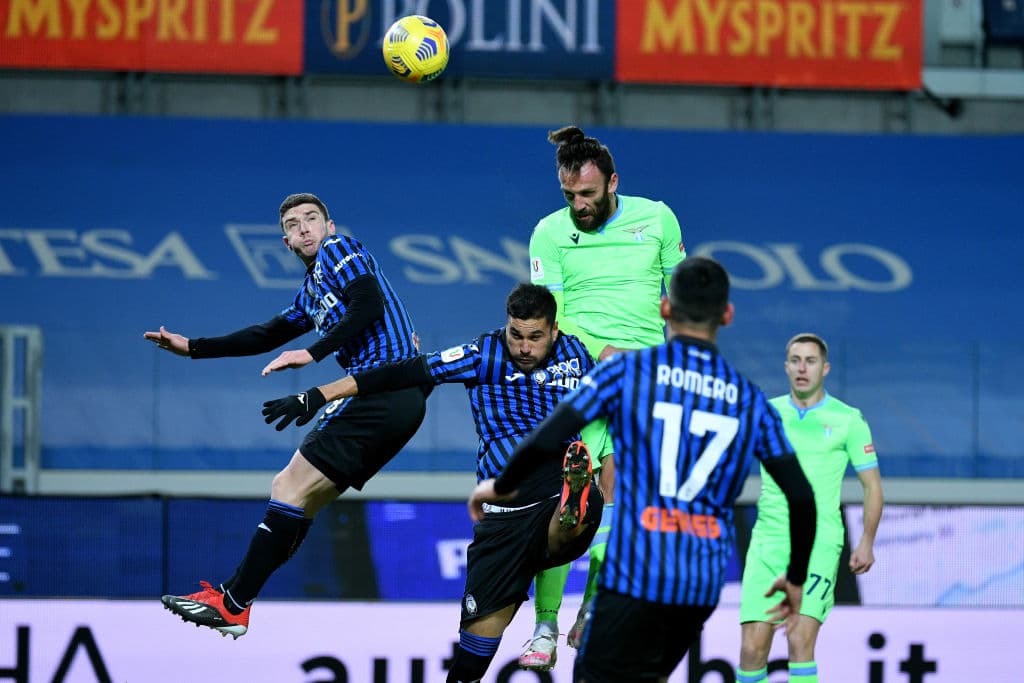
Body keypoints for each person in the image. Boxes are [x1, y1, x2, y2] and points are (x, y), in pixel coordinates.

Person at [469, 256, 818, 683]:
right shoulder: (750, 400)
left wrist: (501, 485)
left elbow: (548, 434)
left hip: (638, 568)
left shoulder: (628, 373)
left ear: (665, 309)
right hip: (699, 582)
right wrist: (796, 576)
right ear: (727, 315)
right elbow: (801, 496)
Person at [262, 283, 605, 683]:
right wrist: (320, 394)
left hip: (551, 481)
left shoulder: (577, 354)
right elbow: (399, 374)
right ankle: (572, 508)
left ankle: (573, 503)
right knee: (469, 664)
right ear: (506, 326)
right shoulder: (483, 353)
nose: (525, 347)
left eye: (535, 337)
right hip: (502, 517)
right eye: (516, 335)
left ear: (555, 331)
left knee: (566, 520)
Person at [144, 192, 426, 639]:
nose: (306, 228)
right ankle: (235, 601)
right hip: (393, 400)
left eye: (313, 219)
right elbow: (266, 334)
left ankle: (233, 602)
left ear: (329, 227)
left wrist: (311, 354)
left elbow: (368, 304)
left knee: (288, 487)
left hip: (381, 389)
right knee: (299, 499)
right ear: (286, 243)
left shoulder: (341, 250)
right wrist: (194, 347)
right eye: (294, 226)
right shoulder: (312, 292)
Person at [521, 124, 687, 669]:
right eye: (569, 195)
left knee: (621, 496)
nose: (579, 205)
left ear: (613, 182)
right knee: (567, 497)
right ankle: (545, 623)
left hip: (646, 378)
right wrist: (592, 356)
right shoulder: (548, 233)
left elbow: (682, 303)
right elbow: (551, 318)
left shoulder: (657, 218)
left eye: (588, 195)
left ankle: (591, 606)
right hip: (580, 378)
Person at [736, 333, 884, 683]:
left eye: (811, 361)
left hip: (819, 544)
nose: (803, 368)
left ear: (825, 368)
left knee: (800, 638)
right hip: (768, 542)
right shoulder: (767, 414)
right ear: (786, 367)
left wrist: (866, 541)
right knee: (752, 649)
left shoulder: (848, 419)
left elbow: (872, 485)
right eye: (796, 360)